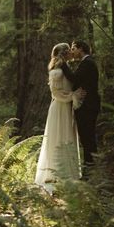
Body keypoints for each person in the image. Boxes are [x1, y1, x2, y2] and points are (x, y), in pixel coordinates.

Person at [35, 43, 85, 193]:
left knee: (67, 137)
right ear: (64, 53)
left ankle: (68, 174)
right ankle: (56, 173)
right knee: (59, 137)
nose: (72, 53)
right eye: (69, 51)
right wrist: (73, 96)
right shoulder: (57, 71)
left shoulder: (66, 68)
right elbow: (56, 93)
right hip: (59, 108)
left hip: (67, 108)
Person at [61, 40, 100, 172]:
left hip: (88, 106)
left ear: (81, 49)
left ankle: (90, 170)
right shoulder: (87, 62)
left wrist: (63, 64)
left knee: (87, 138)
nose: (72, 51)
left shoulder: (87, 63)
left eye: (73, 48)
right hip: (88, 104)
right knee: (87, 138)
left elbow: (75, 79)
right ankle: (91, 168)